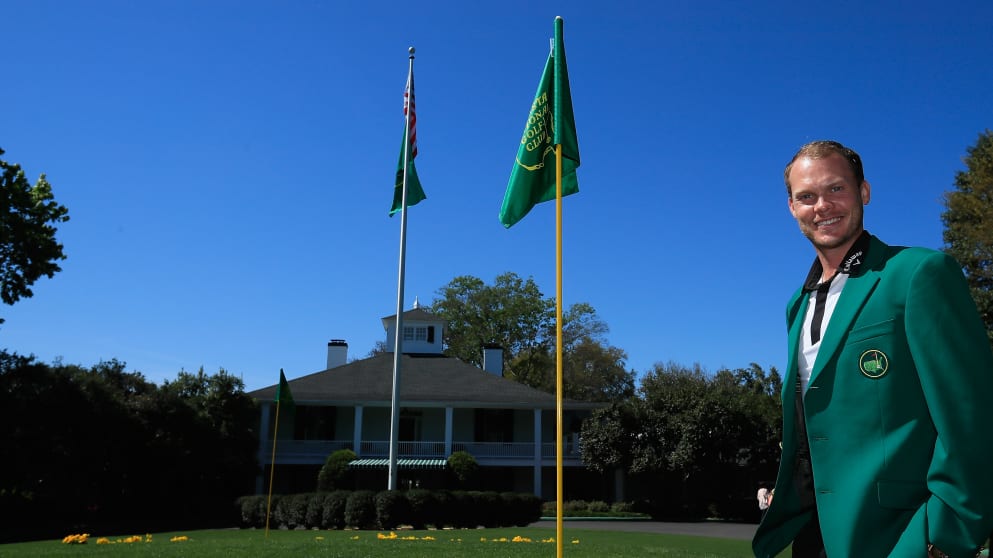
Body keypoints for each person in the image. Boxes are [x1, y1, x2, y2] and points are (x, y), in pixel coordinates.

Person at [752, 140, 993, 558]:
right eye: (806, 196)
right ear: (792, 207)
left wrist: (942, 540)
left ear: (864, 191)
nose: (822, 205)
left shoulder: (918, 274)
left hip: (897, 537)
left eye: (836, 189)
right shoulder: (797, 304)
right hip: (813, 537)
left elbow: (972, 421)